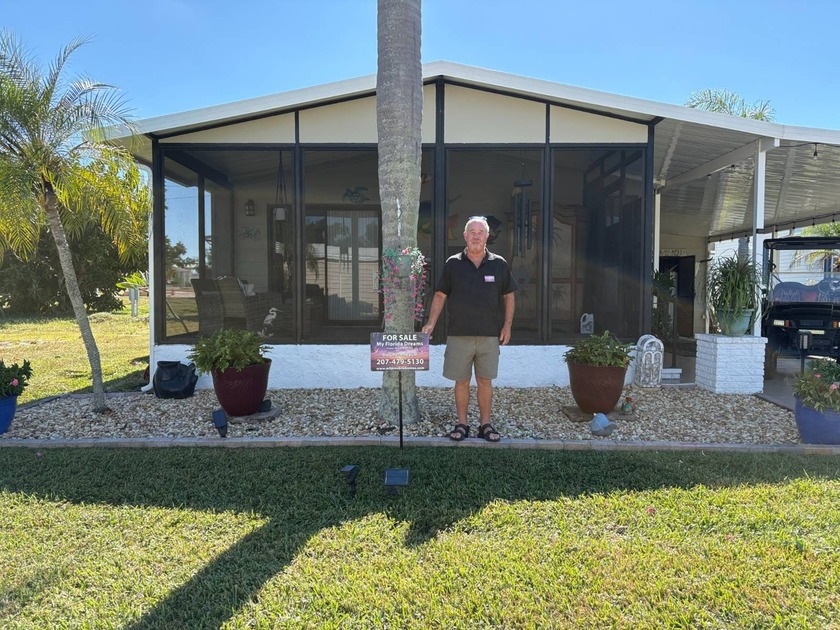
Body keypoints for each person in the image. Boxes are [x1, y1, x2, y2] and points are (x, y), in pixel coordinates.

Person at [421, 216, 517, 442]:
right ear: (465, 236)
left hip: (489, 336)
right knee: (461, 381)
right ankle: (462, 424)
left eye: (480, 231)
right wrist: (431, 323)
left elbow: (509, 296)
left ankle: (485, 425)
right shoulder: (453, 263)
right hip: (459, 334)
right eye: (472, 231)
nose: (476, 235)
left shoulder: (499, 264)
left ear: (487, 236)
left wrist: (507, 326)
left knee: (485, 381)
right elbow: (440, 295)